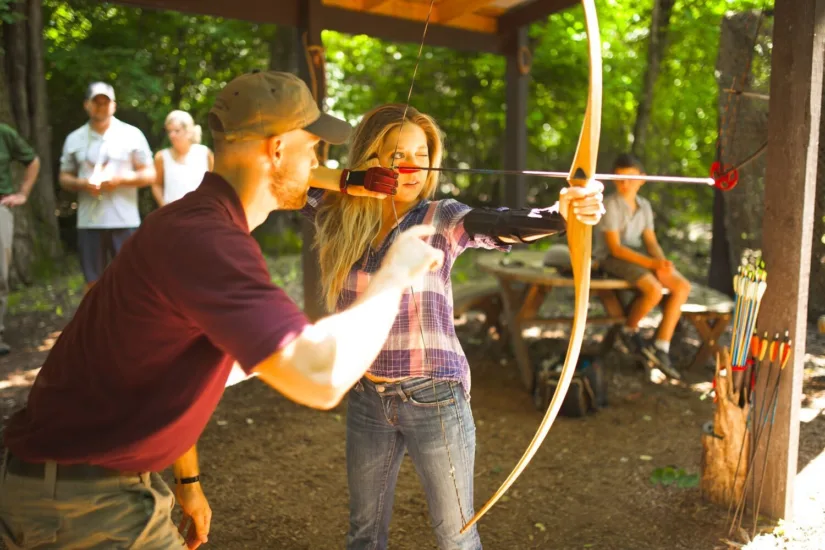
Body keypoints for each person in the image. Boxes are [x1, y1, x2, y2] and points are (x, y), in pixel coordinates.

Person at [0, 71, 443, 550]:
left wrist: (186, 481)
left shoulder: (193, 221)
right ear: (276, 150)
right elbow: (321, 377)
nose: (319, 163)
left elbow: (173, 368)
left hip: (84, 484)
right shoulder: (207, 241)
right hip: (80, 503)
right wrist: (394, 276)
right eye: (312, 149)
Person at [303, 103, 605, 550]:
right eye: (394, 153)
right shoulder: (342, 214)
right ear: (369, 156)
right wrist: (352, 182)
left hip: (435, 398)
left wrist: (561, 215)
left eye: (421, 154)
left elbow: (498, 225)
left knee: (455, 538)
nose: (409, 166)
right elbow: (291, 177)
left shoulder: (440, 216)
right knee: (363, 534)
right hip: (367, 395)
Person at [592, 153, 690, 379]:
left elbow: (651, 241)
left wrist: (662, 263)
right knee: (654, 290)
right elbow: (615, 249)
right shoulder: (610, 205)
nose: (625, 184)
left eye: (630, 178)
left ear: (642, 179)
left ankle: (661, 345)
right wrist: (651, 263)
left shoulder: (644, 206)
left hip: (638, 257)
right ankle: (629, 329)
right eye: (619, 178)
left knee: (681, 287)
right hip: (610, 259)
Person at [58, 82, 156, 291]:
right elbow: (64, 177)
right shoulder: (74, 138)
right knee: (93, 283)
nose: (101, 106)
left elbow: (150, 174)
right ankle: (95, 324)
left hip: (125, 220)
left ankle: (129, 323)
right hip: (89, 222)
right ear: (87, 105)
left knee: (131, 280)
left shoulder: (132, 135)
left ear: (114, 105)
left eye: (106, 102)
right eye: (96, 102)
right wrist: (82, 184)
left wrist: (120, 180)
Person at [0, 123, 40, 355]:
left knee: (0, 274)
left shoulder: (4, 133)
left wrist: (23, 193)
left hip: (1, 207)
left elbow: (32, 160)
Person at [151, 110, 213, 206]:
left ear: (188, 131)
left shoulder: (205, 153)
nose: (172, 135)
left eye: (177, 131)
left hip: (201, 212)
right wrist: (164, 207)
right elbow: (156, 184)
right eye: (169, 131)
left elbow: (214, 183)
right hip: (173, 215)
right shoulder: (161, 157)